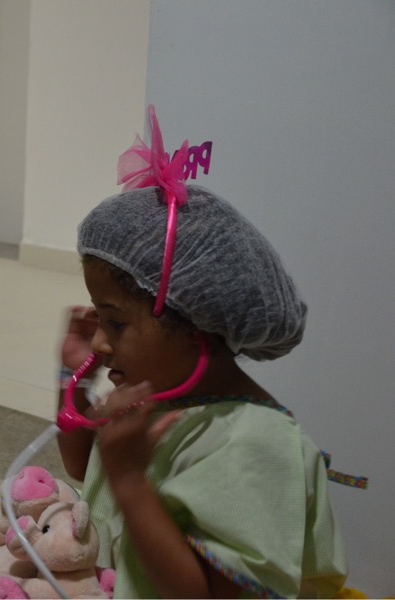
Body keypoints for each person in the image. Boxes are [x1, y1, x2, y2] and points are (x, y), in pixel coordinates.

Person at [56, 108, 349, 597]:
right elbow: (82, 463)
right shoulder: (157, 391)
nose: (101, 343)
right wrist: (72, 380)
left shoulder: (255, 447)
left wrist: (131, 483)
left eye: (117, 322)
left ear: (197, 327)